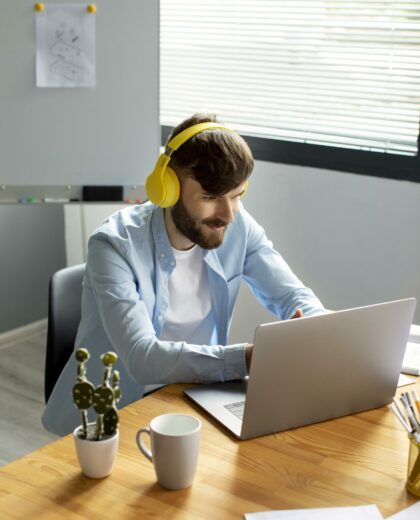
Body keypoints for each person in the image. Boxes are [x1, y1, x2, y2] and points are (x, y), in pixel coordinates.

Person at [42, 113, 325, 436]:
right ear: (169, 189)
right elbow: (142, 356)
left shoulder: (238, 224)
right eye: (210, 197)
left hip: (194, 396)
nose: (228, 214)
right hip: (113, 415)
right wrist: (248, 358)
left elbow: (292, 295)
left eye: (236, 195)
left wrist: (318, 327)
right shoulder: (112, 246)